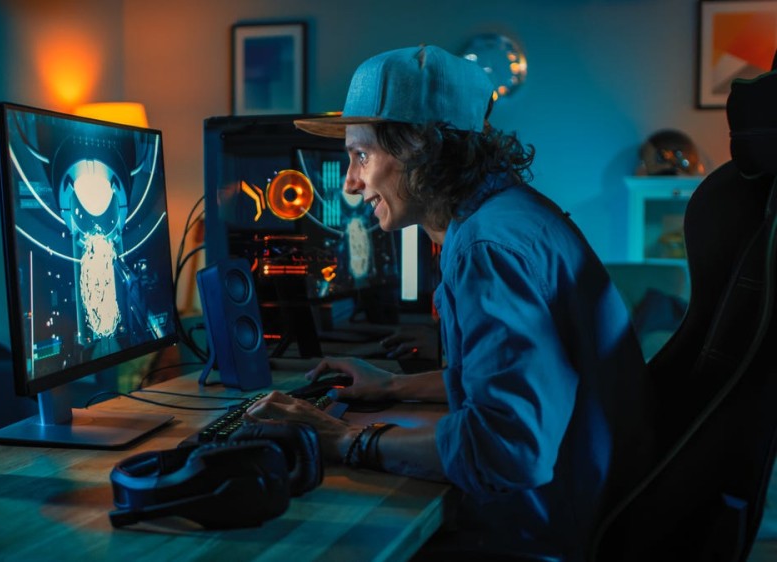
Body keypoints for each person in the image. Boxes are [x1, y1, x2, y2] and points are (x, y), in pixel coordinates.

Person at [244, 45, 654, 561]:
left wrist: (344, 437)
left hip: (543, 538)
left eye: (361, 155)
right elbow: (518, 381)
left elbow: (507, 450)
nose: (350, 182)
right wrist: (392, 385)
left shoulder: (488, 248)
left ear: (419, 146)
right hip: (580, 512)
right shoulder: (504, 218)